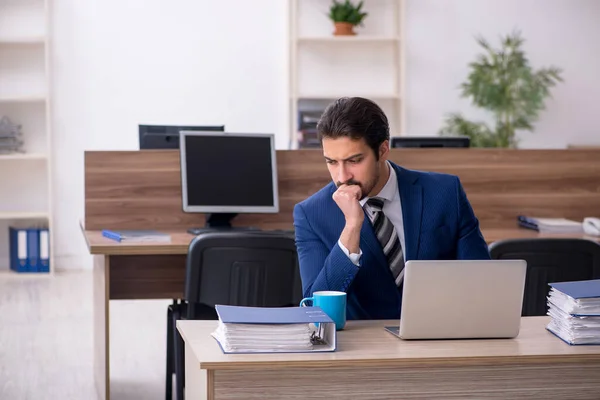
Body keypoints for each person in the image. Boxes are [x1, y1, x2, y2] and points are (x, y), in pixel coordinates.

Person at [293, 97, 491, 320]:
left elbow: (483, 282)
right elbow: (315, 312)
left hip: (442, 335)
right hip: (367, 349)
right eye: (331, 162)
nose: (342, 176)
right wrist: (351, 228)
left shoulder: (445, 193)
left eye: (354, 160)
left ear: (383, 150)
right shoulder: (311, 215)